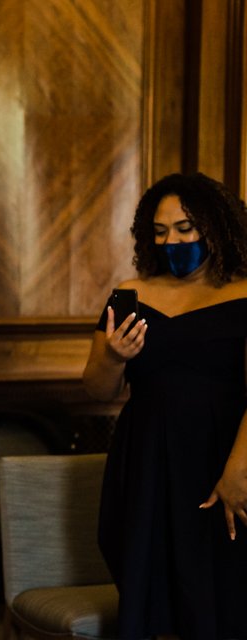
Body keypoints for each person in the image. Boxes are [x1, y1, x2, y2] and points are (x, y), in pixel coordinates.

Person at [82, 172, 247, 639]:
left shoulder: (244, 294)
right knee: (148, 587)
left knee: (219, 588)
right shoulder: (130, 293)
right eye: (160, 231)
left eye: (184, 228)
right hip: (146, 460)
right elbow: (96, 388)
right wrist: (115, 356)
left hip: (221, 456)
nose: (171, 240)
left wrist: (237, 471)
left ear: (215, 227)